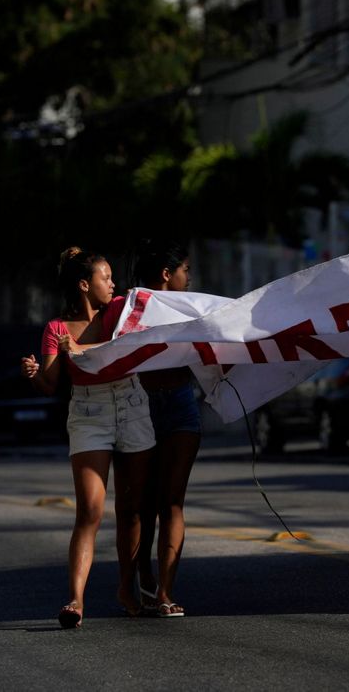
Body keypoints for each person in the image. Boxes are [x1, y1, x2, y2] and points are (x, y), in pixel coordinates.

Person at [21, 247, 156, 628]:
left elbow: (125, 349)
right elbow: (50, 384)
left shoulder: (119, 311)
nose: (113, 284)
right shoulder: (56, 329)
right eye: (106, 277)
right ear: (85, 284)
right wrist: (34, 374)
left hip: (131, 402)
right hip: (88, 413)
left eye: (112, 277)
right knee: (90, 510)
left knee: (132, 508)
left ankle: (126, 588)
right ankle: (76, 600)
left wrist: (81, 350)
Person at [131, 240, 201, 620]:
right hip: (140, 406)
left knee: (172, 500)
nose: (188, 278)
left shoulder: (192, 309)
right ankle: (142, 577)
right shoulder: (130, 307)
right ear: (165, 274)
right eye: (184, 270)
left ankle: (165, 591)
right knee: (144, 504)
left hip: (180, 403)